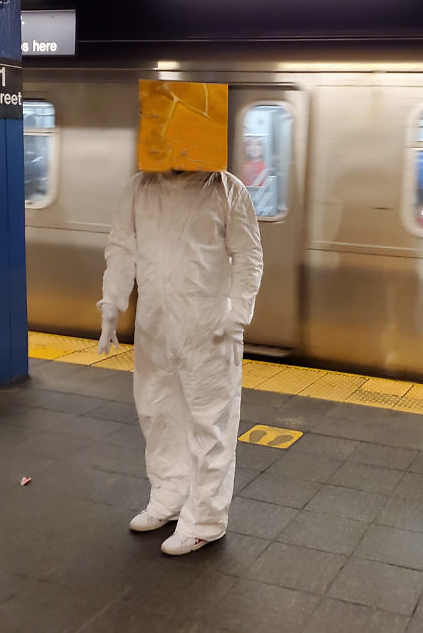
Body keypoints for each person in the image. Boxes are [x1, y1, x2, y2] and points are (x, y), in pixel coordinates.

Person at [98, 170, 263, 556]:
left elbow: (248, 253)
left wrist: (238, 316)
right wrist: (112, 302)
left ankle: (206, 519)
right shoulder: (139, 186)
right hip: (155, 325)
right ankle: (170, 494)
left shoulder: (226, 188)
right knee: (157, 413)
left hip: (209, 328)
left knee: (210, 422)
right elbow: (121, 245)